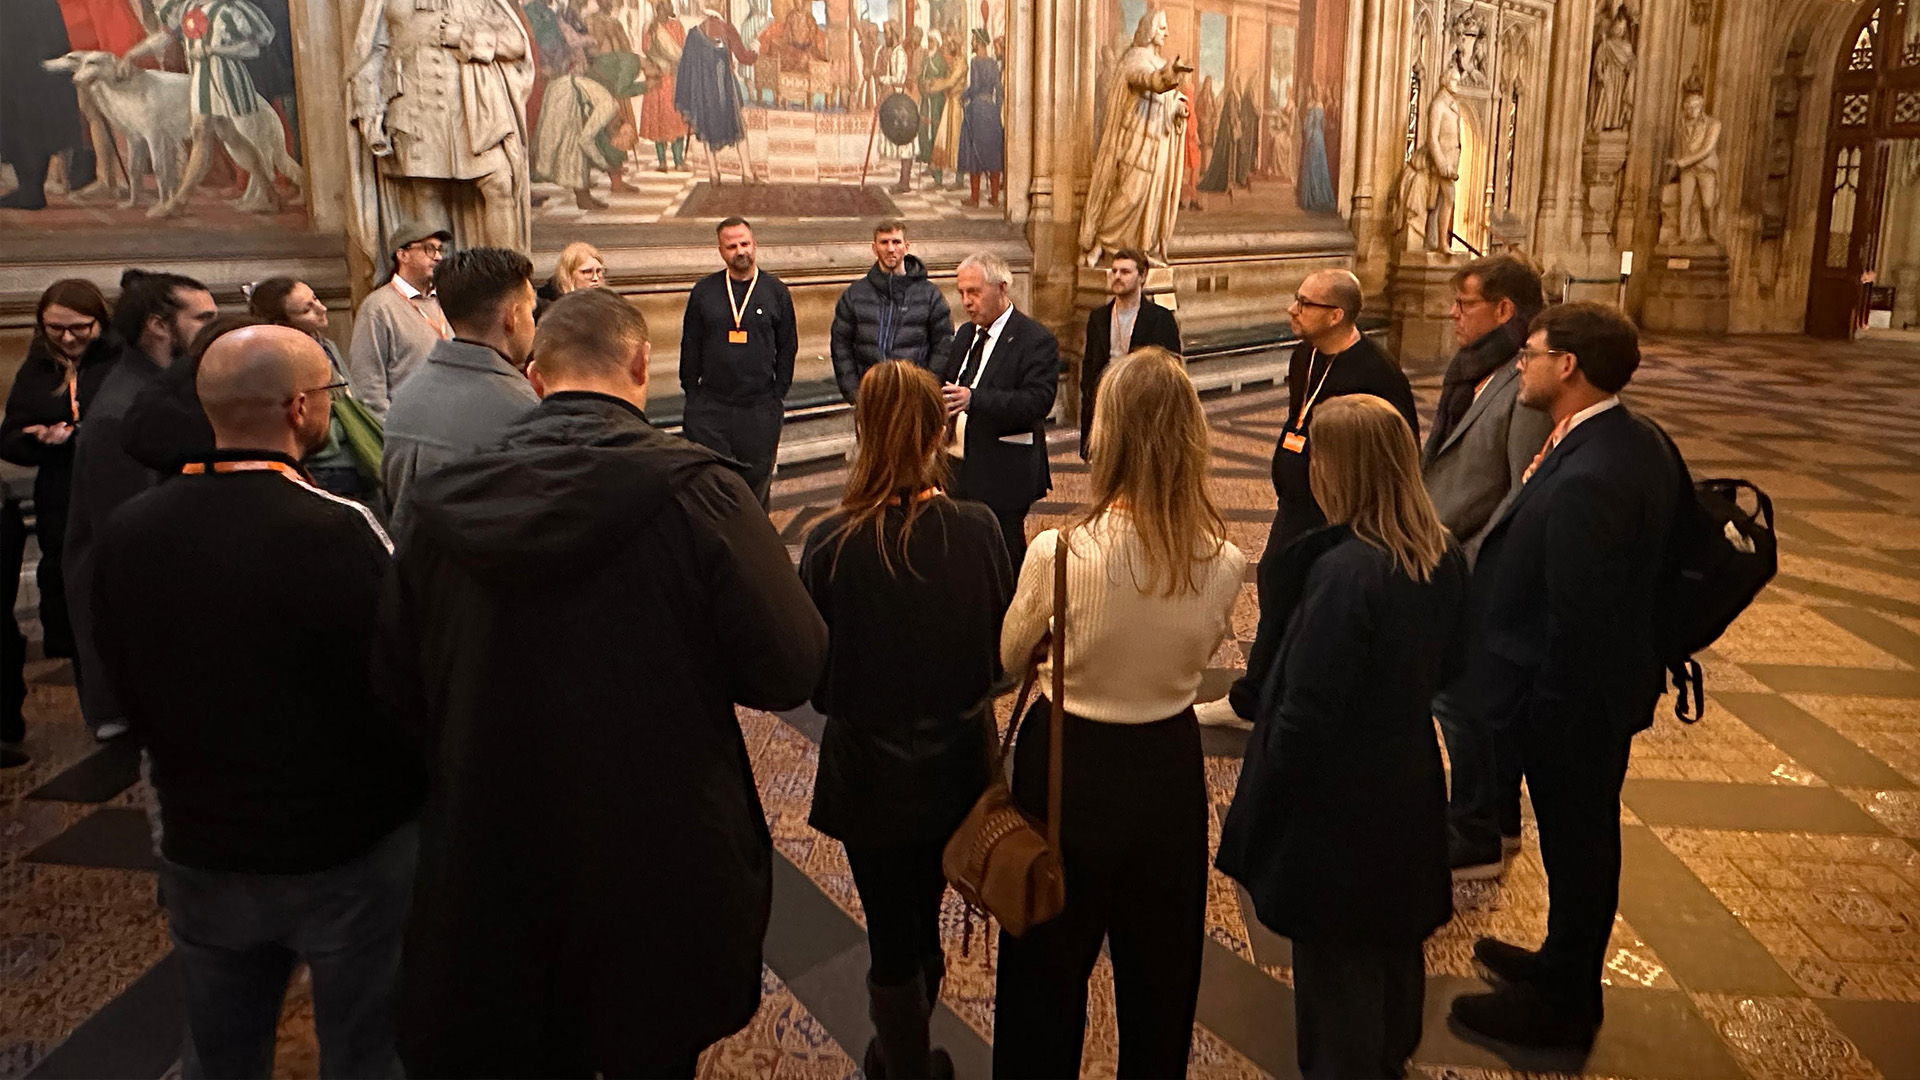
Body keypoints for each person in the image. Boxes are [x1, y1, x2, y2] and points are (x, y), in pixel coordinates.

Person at [380, 287, 827, 1076]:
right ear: (642, 365)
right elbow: (791, 666)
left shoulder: (441, 501)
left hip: (495, 841)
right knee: (648, 1044)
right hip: (657, 843)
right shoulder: (703, 493)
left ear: (536, 375)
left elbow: (397, 685)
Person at [91, 324, 422, 1078]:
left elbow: (122, 677)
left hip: (202, 837)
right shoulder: (337, 529)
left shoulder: (131, 529)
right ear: (300, 407)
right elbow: (397, 684)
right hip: (341, 848)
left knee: (221, 1050)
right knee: (364, 1049)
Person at [993, 347, 1243, 1079]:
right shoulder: (1224, 558)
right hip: (1167, 763)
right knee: (1161, 973)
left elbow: (1010, 655)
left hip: (1067, 760)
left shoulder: (1059, 551)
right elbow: (1197, 651)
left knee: (1045, 967)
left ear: (1107, 435)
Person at [1217, 394, 1466, 1080]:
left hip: (1339, 802)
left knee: (1336, 974)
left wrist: (1267, 797)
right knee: (1393, 941)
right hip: (1406, 773)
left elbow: (1304, 711)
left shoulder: (1345, 573)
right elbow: (1456, 666)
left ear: (1342, 470)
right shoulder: (1439, 552)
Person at [1449, 302, 1677, 1050]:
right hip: (1583, 695)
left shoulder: (1594, 474)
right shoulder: (1622, 437)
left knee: (1580, 846)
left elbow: (1581, 622)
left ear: (1568, 366)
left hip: (1573, 706)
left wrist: (1544, 717)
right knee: (1577, 843)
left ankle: (1565, 1005)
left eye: (1534, 354)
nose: (1522, 365)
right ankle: (1558, 962)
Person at [800, 361, 1012, 1079]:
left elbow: (812, 676)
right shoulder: (979, 530)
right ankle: (910, 1051)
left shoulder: (830, 542)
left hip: (867, 774)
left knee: (891, 928)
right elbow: (1001, 658)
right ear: (938, 434)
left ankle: (903, 1061)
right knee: (925, 911)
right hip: (958, 767)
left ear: (862, 431)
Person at [1197, 269, 1418, 730]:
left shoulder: (1376, 373)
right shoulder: (1306, 355)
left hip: (1342, 515)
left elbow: (1400, 449)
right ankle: (1254, 699)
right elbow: (1297, 421)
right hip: (1296, 506)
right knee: (1277, 591)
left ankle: (1301, 700)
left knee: (1322, 607)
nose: (1292, 309)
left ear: (1336, 315)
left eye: (1304, 302)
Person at [1421, 255, 1552, 881]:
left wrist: (1472, 562)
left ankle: (1476, 829)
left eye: (1464, 303)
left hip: (1475, 567)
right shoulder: (1472, 370)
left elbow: (1521, 490)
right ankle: (1495, 820)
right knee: (1466, 698)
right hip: (1445, 552)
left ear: (1504, 310)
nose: (1453, 313)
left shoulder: (1523, 385)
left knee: (1461, 700)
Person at [65, 270, 216, 741]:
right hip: (135, 631)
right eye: (202, 318)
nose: (212, 329)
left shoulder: (159, 388)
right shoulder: (123, 410)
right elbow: (128, 537)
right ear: (157, 325)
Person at [0, 280, 117, 764]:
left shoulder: (118, 363)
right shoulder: (38, 366)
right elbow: (10, 436)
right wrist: (39, 437)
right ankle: (98, 701)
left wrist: (84, 432)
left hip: (112, 489)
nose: (68, 339)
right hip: (60, 495)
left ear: (100, 322)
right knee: (74, 593)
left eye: (79, 328)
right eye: (55, 329)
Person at [382, 248, 540, 539]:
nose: (534, 324)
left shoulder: (407, 394)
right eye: (531, 311)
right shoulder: (524, 409)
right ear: (513, 316)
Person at [936, 251, 1059, 566]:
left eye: (974, 292)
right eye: (962, 293)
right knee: (962, 551)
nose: (966, 302)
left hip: (1004, 468)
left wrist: (974, 399)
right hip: (957, 465)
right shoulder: (966, 334)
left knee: (1002, 552)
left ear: (1002, 288)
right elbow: (948, 382)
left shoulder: (1034, 339)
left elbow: (1037, 401)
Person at [681, 217, 797, 507]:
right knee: (714, 487)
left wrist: (778, 393)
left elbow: (788, 346)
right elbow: (690, 344)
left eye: (744, 244)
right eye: (731, 246)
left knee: (756, 490)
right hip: (712, 407)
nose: (740, 251)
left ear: (754, 245)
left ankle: (756, 536)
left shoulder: (776, 291)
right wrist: (692, 393)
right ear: (721, 251)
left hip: (759, 407)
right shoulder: (704, 291)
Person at [247, 277, 377, 503]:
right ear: (282, 323)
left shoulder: (326, 345)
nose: (322, 308)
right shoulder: (285, 360)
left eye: (316, 299)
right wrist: (339, 428)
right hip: (325, 463)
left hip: (353, 452)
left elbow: (349, 393)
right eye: (307, 309)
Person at [1079, 9, 1190, 267]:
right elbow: (1149, 81)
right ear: (1149, 30)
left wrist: (1178, 108)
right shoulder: (1135, 59)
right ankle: (1101, 245)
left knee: (1151, 201)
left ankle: (1140, 253)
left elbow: (1167, 99)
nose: (1166, 33)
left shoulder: (1158, 62)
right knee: (1126, 196)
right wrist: (1169, 75)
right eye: (1161, 27)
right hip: (1136, 143)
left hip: (1157, 146)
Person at [830, 220, 955, 404]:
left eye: (896, 242)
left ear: (906, 246)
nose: (890, 249)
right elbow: (841, 346)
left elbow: (943, 346)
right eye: (884, 242)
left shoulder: (930, 295)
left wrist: (926, 390)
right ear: (874, 248)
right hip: (870, 397)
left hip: (913, 397)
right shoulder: (854, 295)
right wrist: (855, 393)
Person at [1080, 247, 1181, 457]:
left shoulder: (1160, 319)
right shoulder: (1098, 317)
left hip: (1142, 410)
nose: (1117, 276)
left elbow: (1172, 371)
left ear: (1142, 277)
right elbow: (1089, 365)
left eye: (1125, 272)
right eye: (1114, 271)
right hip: (1105, 407)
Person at [348, 221, 454, 419]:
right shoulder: (378, 307)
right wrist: (387, 429)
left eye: (440, 250)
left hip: (451, 422)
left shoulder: (445, 301)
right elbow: (367, 382)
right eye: (429, 249)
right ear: (402, 255)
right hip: (408, 429)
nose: (438, 257)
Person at [957, 29, 1004, 208]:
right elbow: (999, 91)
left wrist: (964, 96)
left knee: (974, 151)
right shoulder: (993, 63)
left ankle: (975, 198)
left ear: (979, 42)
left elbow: (975, 87)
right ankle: (994, 197)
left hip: (977, 110)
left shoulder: (976, 61)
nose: (972, 43)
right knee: (993, 152)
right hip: (990, 111)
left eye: (974, 40)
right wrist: (996, 111)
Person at [539, 242, 609, 301]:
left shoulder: (609, 303)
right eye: (587, 272)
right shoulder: (550, 307)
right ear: (569, 275)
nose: (595, 278)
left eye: (599, 271)